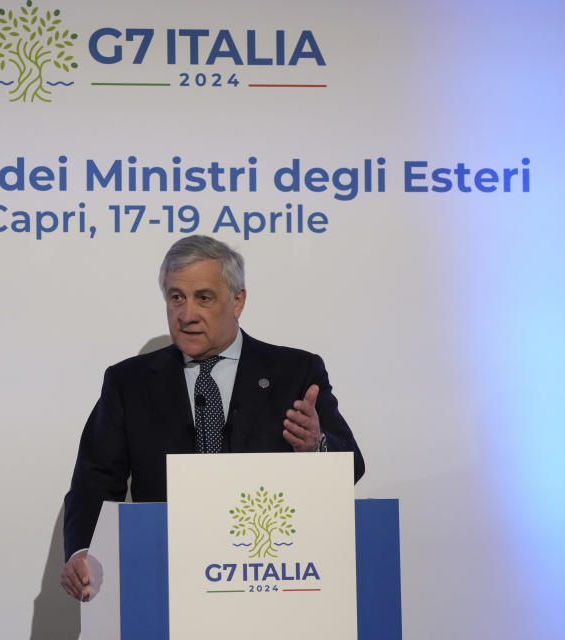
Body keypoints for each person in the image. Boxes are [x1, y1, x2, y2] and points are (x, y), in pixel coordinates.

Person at [60, 235, 364, 601]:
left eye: (204, 297)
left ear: (238, 300)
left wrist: (317, 447)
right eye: (176, 297)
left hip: (273, 579)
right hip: (167, 578)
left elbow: (352, 467)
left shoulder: (296, 372)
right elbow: (95, 480)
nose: (186, 315)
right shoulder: (129, 382)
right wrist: (82, 553)